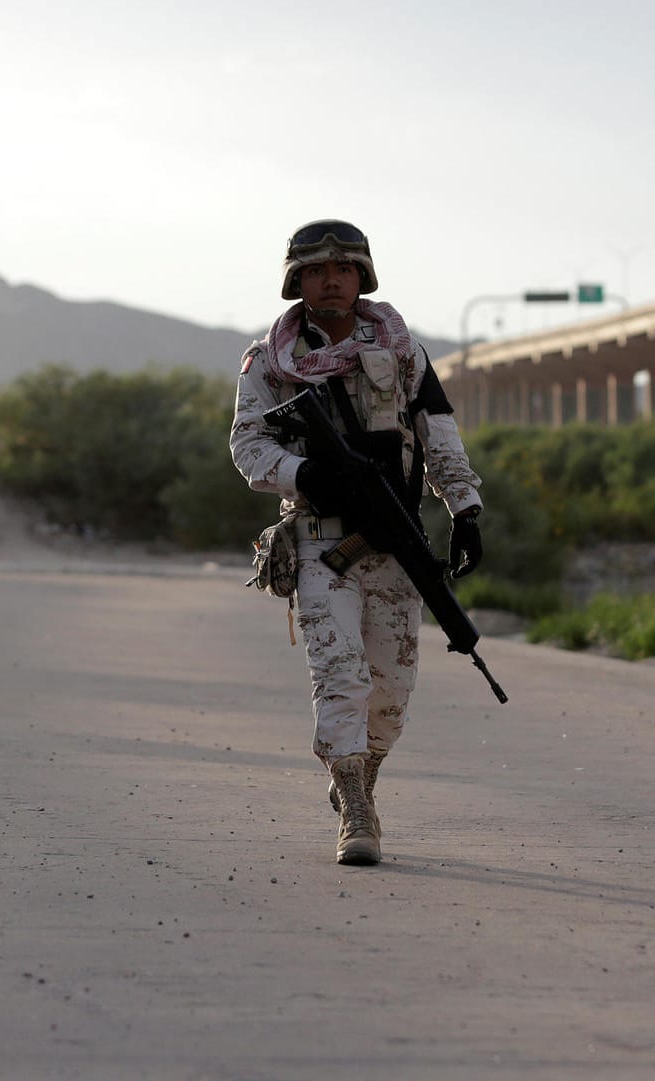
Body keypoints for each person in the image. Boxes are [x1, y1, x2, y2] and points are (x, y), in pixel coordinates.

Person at [230, 219, 485, 866]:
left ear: (363, 275)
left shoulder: (400, 349)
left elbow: (437, 432)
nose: (332, 279)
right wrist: (304, 473)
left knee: (391, 693)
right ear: (297, 281)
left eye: (344, 267)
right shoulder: (271, 361)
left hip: (396, 543)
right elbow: (248, 446)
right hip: (320, 541)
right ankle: (356, 811)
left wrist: (466, 509)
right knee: (338, 674)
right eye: (317, 270)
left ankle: (360, 779)